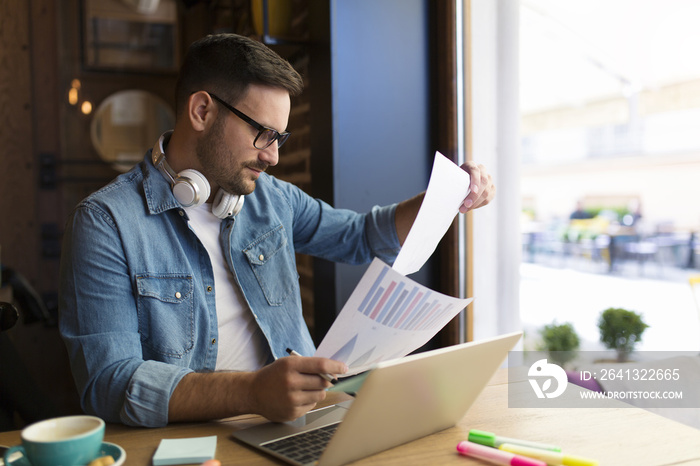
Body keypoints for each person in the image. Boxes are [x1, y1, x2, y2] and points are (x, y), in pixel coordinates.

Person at [58, 33, 495, 428]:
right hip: (192, 445)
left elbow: (361, 236)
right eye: (264, 134)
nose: (273, 157)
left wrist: (446, 196)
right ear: (202, 110)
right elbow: (109, 383)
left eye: (279, 139)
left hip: (299, 426)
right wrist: (251, 392)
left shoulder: (271, 199)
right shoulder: (105, 223)